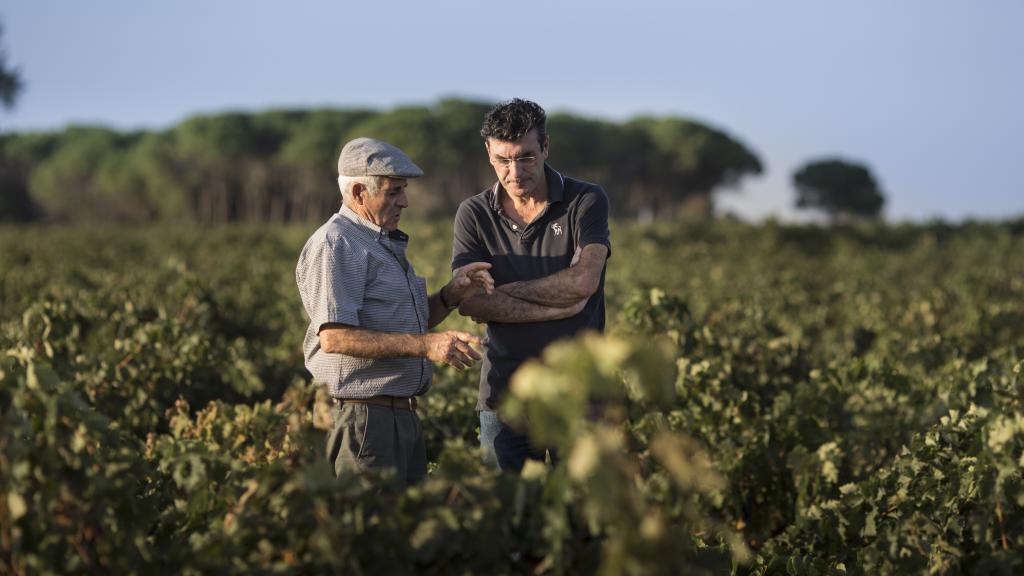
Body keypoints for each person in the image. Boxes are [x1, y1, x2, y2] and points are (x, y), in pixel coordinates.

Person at [296, 137, 494, 485]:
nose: (404, 201)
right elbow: (334, 337)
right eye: (392, 192)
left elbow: (407, 326)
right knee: (370, 531)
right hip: (362, 419)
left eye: (403, 190)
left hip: (398, 417)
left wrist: (451, 294)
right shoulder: (336, 244)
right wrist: (426, 346)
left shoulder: (380, 243)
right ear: (358, 192)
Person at [452, 99, 612, 472]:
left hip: (579, 395)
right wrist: (562, 301)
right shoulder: (473, 214)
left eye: (525, 157)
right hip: (504, 396)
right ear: (488, 154)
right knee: (506, 517)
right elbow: (470, 302)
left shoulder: (585, 200)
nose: (514, 172)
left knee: (579, 518)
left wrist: (501, 293)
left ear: (545, 147)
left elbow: (585, 280)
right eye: (502, 160)